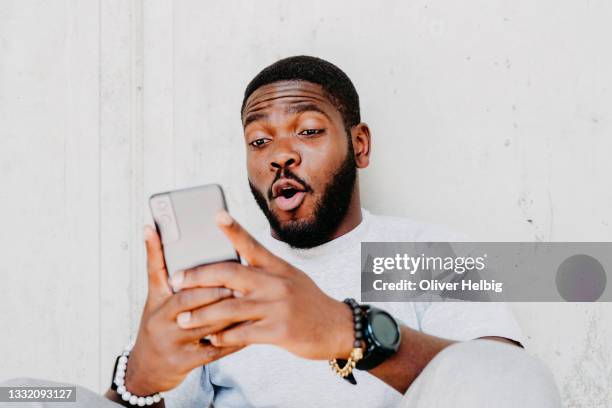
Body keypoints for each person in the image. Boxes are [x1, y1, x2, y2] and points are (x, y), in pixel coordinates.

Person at [1, 56, 561, 408]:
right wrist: (138, 380)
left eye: (308, 130)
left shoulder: (427, 251)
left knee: (508, 373)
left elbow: (501, 382)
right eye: (259, 141)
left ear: (359, 145)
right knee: (20, 395)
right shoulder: (218, 278)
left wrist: (348, 332)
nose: (280, 156)